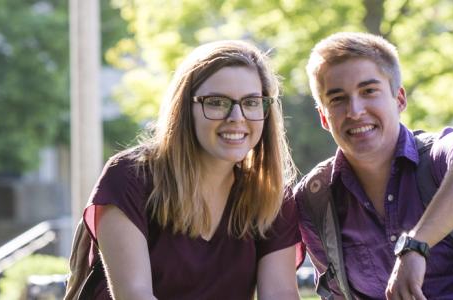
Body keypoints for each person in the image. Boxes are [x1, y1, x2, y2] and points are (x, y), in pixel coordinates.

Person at [291, 32, 453, 300]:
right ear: (323, 116)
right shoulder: (316, 199)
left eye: (369, 91)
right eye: (338, 99)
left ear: (399, 99)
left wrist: (415, 246)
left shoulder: (437, 158)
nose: (355, 110)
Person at [78, 40, 300, 299]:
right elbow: (134, 294)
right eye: (217, 102)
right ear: (185, 108)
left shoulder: (271, 197)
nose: (237, 117)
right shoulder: (130, 178)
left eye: (251, 102)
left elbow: (280, 294)